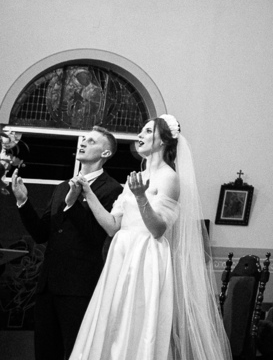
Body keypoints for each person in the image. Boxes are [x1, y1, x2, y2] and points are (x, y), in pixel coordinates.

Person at [68, 115, 231, 360]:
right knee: (112, 320)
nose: (139, 136)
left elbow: (158, 230)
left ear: (164, 139)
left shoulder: (170, 178)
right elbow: (112, 226)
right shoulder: (136, 178)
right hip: (121, 254)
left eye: (147, 131)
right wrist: (88, 193)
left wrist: (141, 197)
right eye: (141, 131)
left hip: (146, 257)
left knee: (137, 323)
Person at [13, 127, 122, 360]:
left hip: (79, 287)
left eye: (91, 141)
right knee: (44, 351)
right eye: (83, 139)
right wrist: (23, 201)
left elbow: (98, 236)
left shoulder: (112, 189)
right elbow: (42, 233)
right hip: (47, 285)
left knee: (75, 352)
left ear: (105, 153)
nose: (83, 143)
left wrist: (73, 204)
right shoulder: (62, 187)